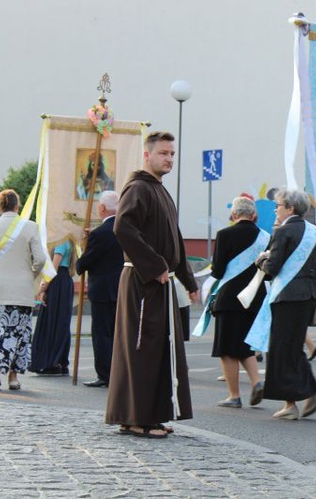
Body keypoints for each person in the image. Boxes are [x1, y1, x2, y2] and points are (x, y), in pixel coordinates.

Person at [105, 131, 199, 439]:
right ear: (147, 156)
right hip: (142, 282)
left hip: (160, 284)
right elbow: (124, 227)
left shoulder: (161, 192)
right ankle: (136, 419)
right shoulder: (138, 189)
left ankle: (153, 416)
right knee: (142, 349)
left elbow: (175, 241)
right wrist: (156, 266)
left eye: (172, 154)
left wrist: (187, 279)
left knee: (159, 350)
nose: (169, 158)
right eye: (163, 153)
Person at [248, 189, 316, 420]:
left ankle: (294, 402)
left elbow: (273, 269)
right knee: (291, 348)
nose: (275, 209)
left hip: (288, 296)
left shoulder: (284, 232)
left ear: (290, 208)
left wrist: (261, 262)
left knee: (281, 349)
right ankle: (302, 397)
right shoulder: (312, 231)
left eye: (278, 205)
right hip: (307, 295)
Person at [0, 189, 46, 390]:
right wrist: (30, 275)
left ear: (0, 206)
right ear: (18, 205)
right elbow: (40, 259)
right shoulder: (30, 227)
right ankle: (13, 378)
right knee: (18, 333)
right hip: (21, 289)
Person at [210, 196, 268, 408]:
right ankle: (256, 382)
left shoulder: (224, 235)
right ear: (254, 215)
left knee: (226, 348)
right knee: (246, 346)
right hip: (255, 298)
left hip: (230, 297)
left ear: (233, 215)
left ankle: (234, 395)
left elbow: (217, 271)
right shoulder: (265, 237)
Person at [75, 190, 124, 388]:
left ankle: (104, 374)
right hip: (121, 287)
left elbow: (84, 263)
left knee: (102, 334)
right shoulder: (124, 229)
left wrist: (82, 252)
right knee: (118, 333)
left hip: (102, 290)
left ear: (102, 208)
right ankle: (119, 372)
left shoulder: (100, 233)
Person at [29, 239, 74, 376]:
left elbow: (53, 268)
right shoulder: (70, 242)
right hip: (64, 281)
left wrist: (43, 287)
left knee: (51, 320)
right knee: (61, 321)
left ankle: (50, 361)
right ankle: (60, 360)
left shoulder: (61, 243)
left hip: (57, 282)